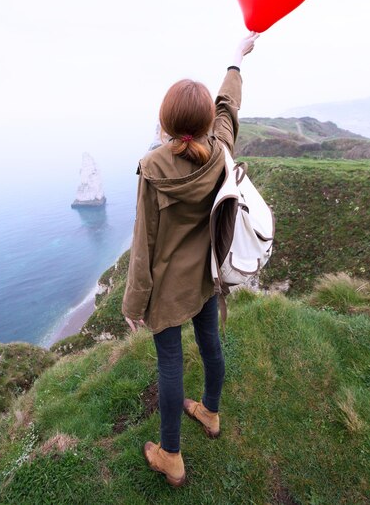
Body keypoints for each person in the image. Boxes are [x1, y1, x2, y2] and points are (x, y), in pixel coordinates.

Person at [122, 31, 259, 487]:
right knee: (210, 346)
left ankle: (172, 456)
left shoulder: (154, 168)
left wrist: (131, 305)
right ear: (202, 124)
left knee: (170, 365)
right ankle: (211, 413)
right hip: (206, 278)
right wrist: (236, 60)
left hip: (166, 291)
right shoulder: (219, 150)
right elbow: (228, 108)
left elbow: (143, 244)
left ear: (164, 123)